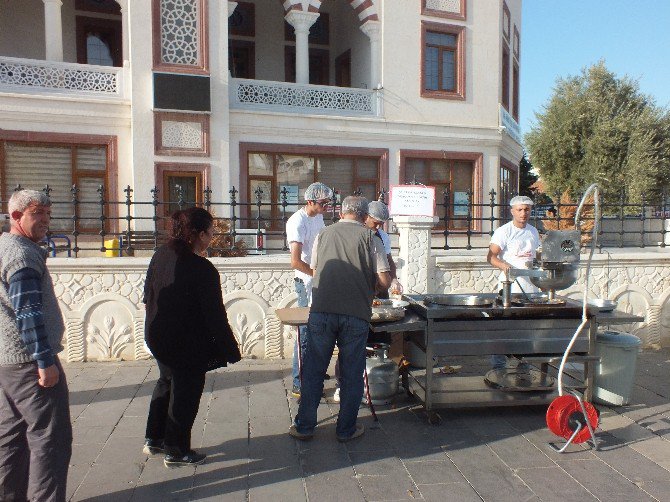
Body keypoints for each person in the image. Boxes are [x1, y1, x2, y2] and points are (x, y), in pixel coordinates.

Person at [143, 207, 241, 468]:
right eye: (210, 233)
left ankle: (155, 437)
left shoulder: (160, 254)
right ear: (197, 234)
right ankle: (176, 450)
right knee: (185, 393)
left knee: (166, 381)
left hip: (158, 336)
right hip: (186, 343)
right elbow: (214, 315)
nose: (211, 238)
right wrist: (230, 349)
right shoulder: (202, 268)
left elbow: (146, 296)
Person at [289, 196, 391, 442]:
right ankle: (346, 429)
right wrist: (370, 288)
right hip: (355, 314)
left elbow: (315, 268)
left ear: (343, 212)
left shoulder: (324, 234)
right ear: (364, 214)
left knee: (313, 370)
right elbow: (386, 280)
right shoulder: (371, 237)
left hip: (322, 310)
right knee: (351, 372)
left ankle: (304, 427)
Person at [0, 189, 72, 501]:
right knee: (50, 439)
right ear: (15, 216)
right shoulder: (22, 254)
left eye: (47, 214)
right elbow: (27, 311)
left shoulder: (5, 245)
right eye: (36, 214)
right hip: (28, 361)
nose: (45, 220)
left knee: (11, 435)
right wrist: (45, 362)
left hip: (7, 362)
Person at [286, 182, 334, 398]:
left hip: (318, 279)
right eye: (323, 203)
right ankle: (299, 381)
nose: (327, 206)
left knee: (319, 328)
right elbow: (295, 261)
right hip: (305, 281)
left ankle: (313, 371)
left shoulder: (318, 217)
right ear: (310, 202)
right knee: (304, 331)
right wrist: (315, 274)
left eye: (328, 202)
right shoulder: (297, 222)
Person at [486, 195, 541, 373]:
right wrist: (504, 266)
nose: (523, 213)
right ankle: (498, 366)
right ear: (512, 211)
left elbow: (536, 255)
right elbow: (491, 257)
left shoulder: (533, 231)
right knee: (503, 326)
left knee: (527, 328)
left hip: (530, 288)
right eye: (519, 210)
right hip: (510, 287)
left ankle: (523, 362)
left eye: (526, 210)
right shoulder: (504, 231)